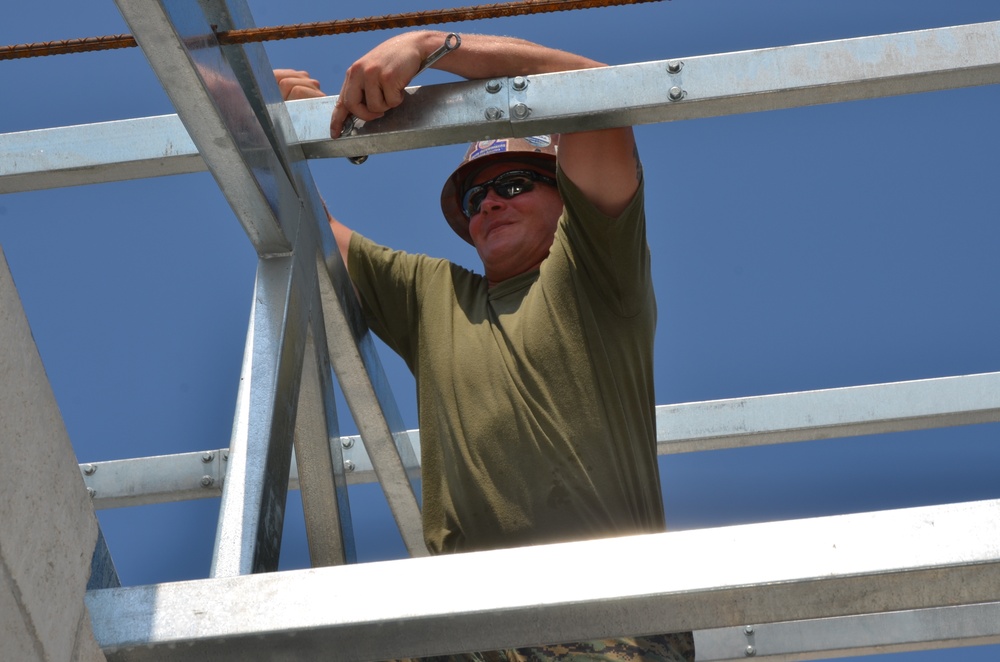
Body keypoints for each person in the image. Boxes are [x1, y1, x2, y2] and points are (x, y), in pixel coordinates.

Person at [277, 30, 693, 662]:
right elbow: (305, 232)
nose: (490, 202)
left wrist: (430, 46)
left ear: (567, 197)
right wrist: (270, 125)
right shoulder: (433, 298)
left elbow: (595, 89)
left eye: (516, 183)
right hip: (468, 626)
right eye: (476, 197)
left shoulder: (597, 271)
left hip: (609, 615)